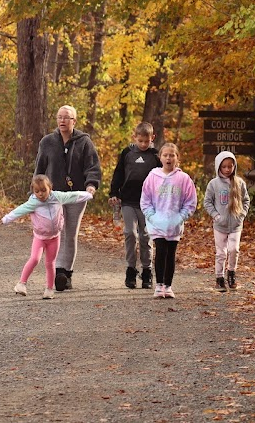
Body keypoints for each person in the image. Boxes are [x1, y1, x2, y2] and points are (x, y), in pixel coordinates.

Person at [33, 105, 101, 291]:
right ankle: (57, 272)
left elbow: (92, 166)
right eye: (59, 117)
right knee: (55, 232)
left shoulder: (84, 142)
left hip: (76, 195)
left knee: (70, 234)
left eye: (67, 117)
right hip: (52, 196)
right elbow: (40, 168)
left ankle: (66, 273)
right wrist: (35, 191)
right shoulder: (47, 142)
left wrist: (91, 185)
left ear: (74, 121)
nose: (62, 120)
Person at [2, 174, 94, 299]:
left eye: (44, 190)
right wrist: (6, 218)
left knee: (50, 263)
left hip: (54, 237)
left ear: (50, 188)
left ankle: (49, 289)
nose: (41, 194)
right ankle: (21, 284)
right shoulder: (33, 202)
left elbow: (72, 196)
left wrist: (88, 195)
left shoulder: (58, 197)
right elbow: (20, 210)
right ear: (33, 191)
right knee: (35, 259)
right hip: (40, 238)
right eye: (37, 191)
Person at [140, 142, 197, 299]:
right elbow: (145, 199)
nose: (168, 158)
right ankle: (159, 286)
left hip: (174, 224)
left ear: (177, 158)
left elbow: (190, 201)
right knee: (160, 252)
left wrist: (180, 217)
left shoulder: (184, 179)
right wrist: (152, 216)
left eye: (172, 155)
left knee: (171, 254)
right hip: (157, 223)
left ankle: (168, 285)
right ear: (160, 158)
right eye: (165, 155)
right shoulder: (153, 177)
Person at [108, 122, 161, 289]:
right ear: (134, 137)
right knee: (130, 233)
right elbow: (118, 173)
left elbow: (163, 177)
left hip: (149, 203)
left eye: (147, 141)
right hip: (128, 200)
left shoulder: (156, 155)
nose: (144, 144)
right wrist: (114, 193)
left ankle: (147, 271)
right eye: (140, 141)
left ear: (152, 138)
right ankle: (131, 269)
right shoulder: (127, 153)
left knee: (146, 236)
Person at [203, 151, 251, 292]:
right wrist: (216, 216)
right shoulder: (214, 184)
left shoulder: (239, 183)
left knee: (233, 249)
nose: (227, 169)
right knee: (221, 252)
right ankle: (219, 278)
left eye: (230, 166)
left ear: (234, 166)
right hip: (220, 225)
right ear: (219, 167)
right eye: (224, 166)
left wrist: (242, 215)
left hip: (236, 225)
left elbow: (246, 200)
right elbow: (207, 202)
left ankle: (231, 272)